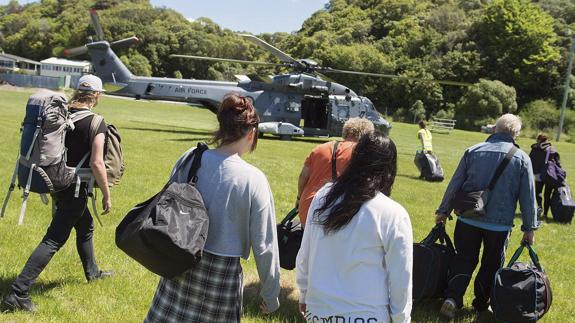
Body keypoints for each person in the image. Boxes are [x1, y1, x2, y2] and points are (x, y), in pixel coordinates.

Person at [144, 93, 280, 322]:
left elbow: (165, 206)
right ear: (252, 133)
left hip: (178, 259)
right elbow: (265, 244)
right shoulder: (253, 179)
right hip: (222, 275)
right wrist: (271, 292)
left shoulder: (190, 157)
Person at [1, 75, 113, 313]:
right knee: (54, 239)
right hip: (75, 186)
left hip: (56, 182)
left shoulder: (62, 113)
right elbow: (97, 163)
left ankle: (92, 272)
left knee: (85, 226)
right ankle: (18, 292)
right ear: (97, 95)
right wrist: (106, 193)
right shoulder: (96, 122)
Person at [296, 132, 413, 323]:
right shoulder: (393, 214)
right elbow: (401, 277)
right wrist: (401, 318)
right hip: (367, 315)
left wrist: (304, 292)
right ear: (389, 169)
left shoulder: (323, 198)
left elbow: (305, 254)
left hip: (319, 312)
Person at [435, 114, 538, 319]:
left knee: (463, 259)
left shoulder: (473, 151)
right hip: (498, 226)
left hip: (467, 218)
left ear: (494, 129)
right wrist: (529, 228)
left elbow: (454, 184)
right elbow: (528, 197)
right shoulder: (521, 158)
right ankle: (481, 304)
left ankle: (453, 298)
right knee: (491, 265)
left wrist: (443, 211)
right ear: (516, 134)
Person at [296, 118, 374, 225]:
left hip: (308, 211)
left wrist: (299, 198)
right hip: (335, 216)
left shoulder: (320, 148)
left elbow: (303, 177)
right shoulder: (361, 153)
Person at [529, 133, 561, 218]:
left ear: (538, 139)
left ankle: (540, 208)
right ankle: (545, 214)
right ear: (547, 140)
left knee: (538, 192)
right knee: (547, 194)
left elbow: (530, 160)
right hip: (550, 175)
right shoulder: (552, 150)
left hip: (538, 174)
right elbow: (558, 164)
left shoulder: (534, 148)